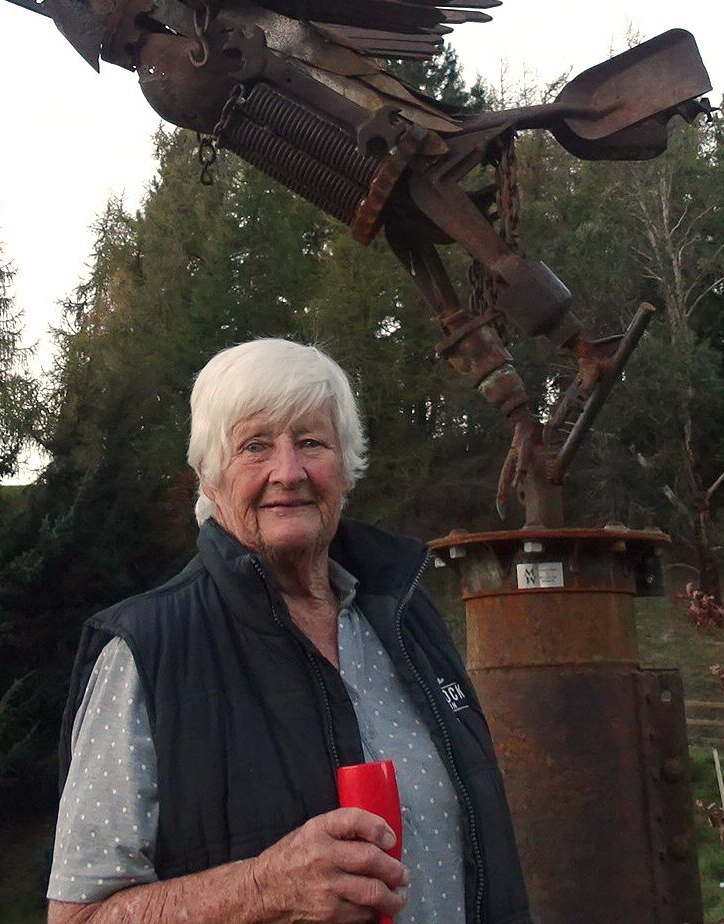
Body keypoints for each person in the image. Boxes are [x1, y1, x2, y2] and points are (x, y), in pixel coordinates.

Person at [47, 338, 531, 924]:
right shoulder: (145, 652)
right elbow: (78, 917)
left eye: (311, 443)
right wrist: (261, 889)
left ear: (346, 466)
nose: (289, 472)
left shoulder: (407, 615)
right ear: (208, 475)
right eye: (255, 446)